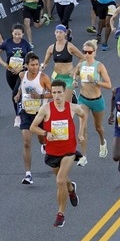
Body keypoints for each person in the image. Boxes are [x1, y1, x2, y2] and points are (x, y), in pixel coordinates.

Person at [30, 80, 88, 228]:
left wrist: (81, 133)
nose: (56, 96)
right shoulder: (45, 109)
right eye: (54, 93)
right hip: (52, 151)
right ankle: (71, 189)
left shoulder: (72, 108)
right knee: (63, 179)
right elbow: (33, 127)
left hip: (68, 150)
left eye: (59, 92)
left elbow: (84, 115)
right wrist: (45, 133)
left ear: (65, 93)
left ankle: (60, 214)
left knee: (60, 181)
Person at [14, 52, 51, 184]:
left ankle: (44, 144)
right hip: (25, 112)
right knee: (26, 142)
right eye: (32, 65)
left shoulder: (44, 78)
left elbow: (54, 93)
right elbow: (21, 86)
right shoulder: (22, 75)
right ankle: (28, 174)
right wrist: (18, 95)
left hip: (39, 114)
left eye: (37, 64)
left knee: (41, 138)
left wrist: (40, 97)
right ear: (26, 65)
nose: (35, 67)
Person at [73, 39, 112, 159]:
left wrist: (95, 81)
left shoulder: (99, 66)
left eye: (90, 52)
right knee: (82, 127)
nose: (87, 55)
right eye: (85, 52)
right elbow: (75, 73)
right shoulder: (81, 64)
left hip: (96, 100)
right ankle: (83, 156)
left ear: (94, 52)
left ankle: (102, 142)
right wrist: (74, 80)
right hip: (83, 99)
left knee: (98, 127)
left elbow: (109, 85)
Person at [0, 24, 33, 129]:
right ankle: (25, 111)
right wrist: (3, 64)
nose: (17, 36)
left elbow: (31, 58)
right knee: (17, 94)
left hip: (22, 73)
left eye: (19, 34)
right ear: (12, 33)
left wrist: (23, 67)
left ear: (23, 34)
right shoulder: (7, 42)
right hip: (10, 73)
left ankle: (18, 116)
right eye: (15, 34)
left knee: (15, 92)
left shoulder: (25, 44)